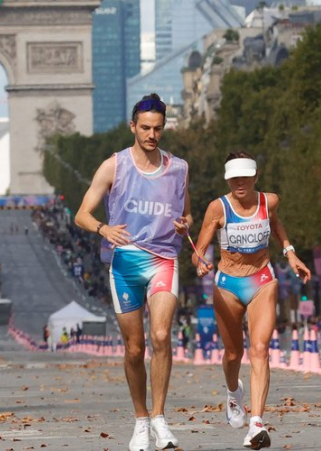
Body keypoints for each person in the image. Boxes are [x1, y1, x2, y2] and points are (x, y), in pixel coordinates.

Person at [75, 93, 191, 451]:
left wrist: (185, 225)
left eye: (157, 128)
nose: (152, 135)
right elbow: (81, 213)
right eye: (145, 128)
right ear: (133, 127)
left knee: (160, 335)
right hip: (125, 261)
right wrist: (102, 229)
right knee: (133, 347)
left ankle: (159, 417)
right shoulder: (114, 166)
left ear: (164, 128)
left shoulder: (179, 168)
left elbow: (186, 215)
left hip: (163, 260)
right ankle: (140, 420)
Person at [191, 150, 311, 450]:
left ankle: (257, 422)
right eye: (234, 178)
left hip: (262, 280)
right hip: (228, 285)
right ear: (228, 179)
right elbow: (199, 249)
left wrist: (290, 252)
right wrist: (200, 261)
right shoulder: (217, 208)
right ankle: (233, 393)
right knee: (233, 354)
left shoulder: (268, 201)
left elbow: (276, 224)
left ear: (256, 176)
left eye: (245, 176)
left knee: (260, 350)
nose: (239, 183)